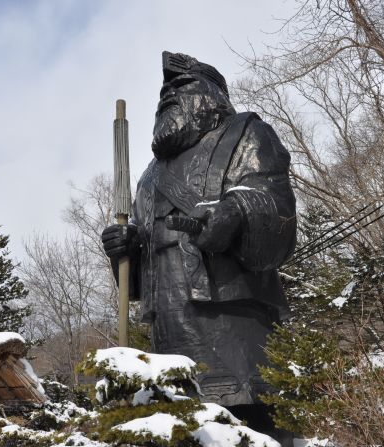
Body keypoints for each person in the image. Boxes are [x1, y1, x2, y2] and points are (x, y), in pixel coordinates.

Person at [102, 51, 296, 440]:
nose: (167, 94)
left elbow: (276, 203)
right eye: (164, 90)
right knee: (181, 424)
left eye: (181, 85)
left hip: (232, 321)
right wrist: (125, 249)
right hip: (169, 329)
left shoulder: (244, 133)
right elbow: (137, 278)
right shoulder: (148, 177)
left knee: (247, 427)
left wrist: (235, 211)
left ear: (213, 95)